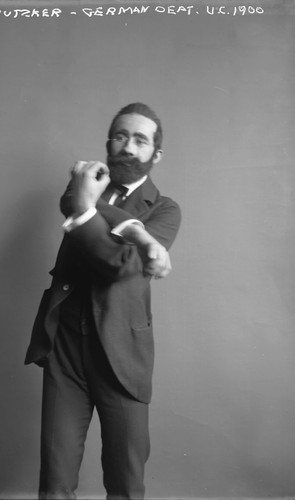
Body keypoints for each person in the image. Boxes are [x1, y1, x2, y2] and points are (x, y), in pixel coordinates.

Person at [25, 103, 181, 499]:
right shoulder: (82, 184)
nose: (128, 147)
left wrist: (91, 208)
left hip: (123, 356)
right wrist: (136, 233)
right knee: (55, 481)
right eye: (120, 136)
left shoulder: (165, 210)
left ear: (154, 154)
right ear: (109, 142)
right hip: (65, 349)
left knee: (125, 482)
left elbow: (120, 265)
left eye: (140, 140)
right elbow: (73, 205)